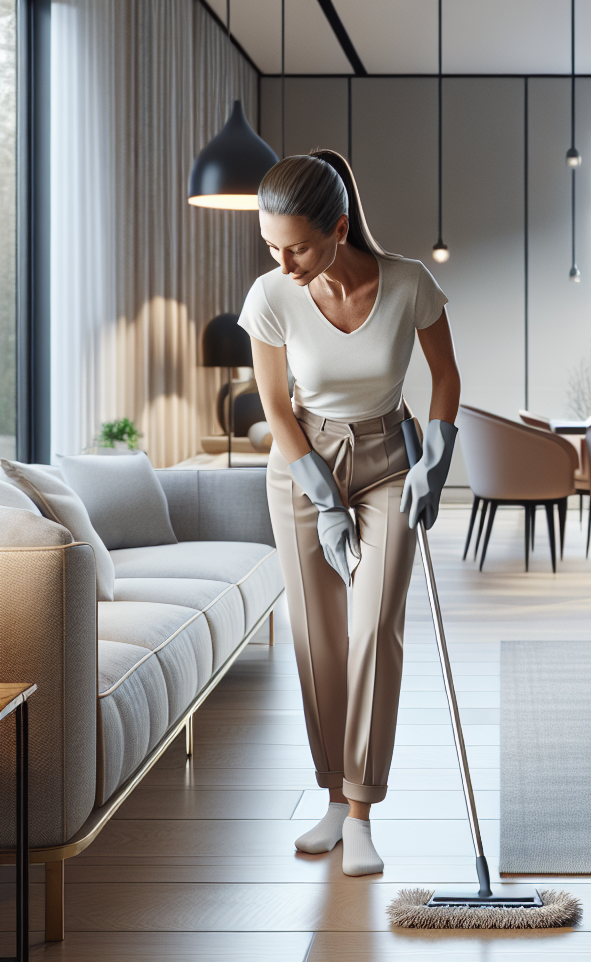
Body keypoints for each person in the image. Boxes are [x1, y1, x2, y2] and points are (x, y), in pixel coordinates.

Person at [239, 150, 460, 876]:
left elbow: (445, 376)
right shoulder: (272, 295)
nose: (285, 261)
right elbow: (276, 406)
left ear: (337, 227)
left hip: (389, 459)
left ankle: (362, 809)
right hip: (302, 463)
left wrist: (438, 458)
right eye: (273, 246)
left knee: (373, 629)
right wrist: (321, 498)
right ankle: (332, 797)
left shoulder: (408, 285)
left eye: (297, 245)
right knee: (318, 639)